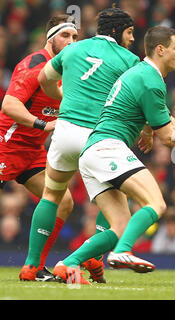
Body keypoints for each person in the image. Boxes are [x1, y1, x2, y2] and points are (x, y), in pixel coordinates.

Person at [52, 26, 175, 284]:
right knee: (156, 203)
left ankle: (66, 264)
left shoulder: (143, 74)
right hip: (107, 148)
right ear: (160, 49)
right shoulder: (150, 79)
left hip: (92, 152)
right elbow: (168, 137)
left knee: (121, 226)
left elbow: (168, 123)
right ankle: (122, 252)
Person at [22, 7, 140, 284]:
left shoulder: (75, 49)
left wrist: (62, 98)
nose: (133, 38)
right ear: (117, 30)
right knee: (116, 200)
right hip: (98, 137)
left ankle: (30, 265)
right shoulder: (130, 60)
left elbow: (44, 80)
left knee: (52, 195)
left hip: (64, 133)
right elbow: (138, 101)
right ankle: (90, 258)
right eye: (130, 32)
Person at [0, 14, 78, 281]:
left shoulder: (66, 73)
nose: (71, 42)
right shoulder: (35, 64)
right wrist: (42, 125)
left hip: (32, 153)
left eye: (75, 37)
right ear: (50, 38)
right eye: (65, 36)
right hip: (6, 145)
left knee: (64, 202)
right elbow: (9, 105)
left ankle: (35, 267)